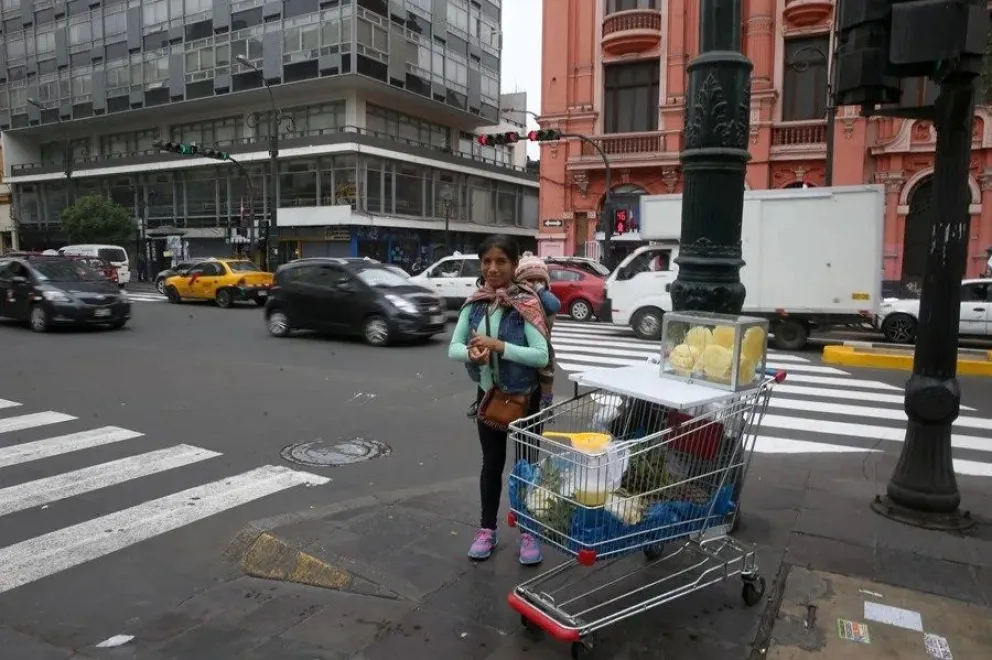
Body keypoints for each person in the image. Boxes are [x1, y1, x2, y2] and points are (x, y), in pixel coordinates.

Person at [448, 235, 550, 565]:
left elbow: (540, 355)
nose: (493, 268)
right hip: (489, 399)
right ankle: (486, 530)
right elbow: (453, 347)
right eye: (487, 262)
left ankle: (529, 531)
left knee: (526, 469)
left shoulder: (527, 303)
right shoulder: (475, 303)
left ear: (514, 265)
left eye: (501, 262)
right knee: (491, 466)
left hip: (525, 402)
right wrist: (473, 354)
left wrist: (497, 345)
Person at [514, 253, 560, 409]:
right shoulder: (517, 297)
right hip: (519, 344)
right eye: (530, 280)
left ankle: (546, 400)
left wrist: (540, 290)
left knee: (546, 370)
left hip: (542, 344)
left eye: (540, 280)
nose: (535, 283)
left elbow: (554, 305)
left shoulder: (545, 299)